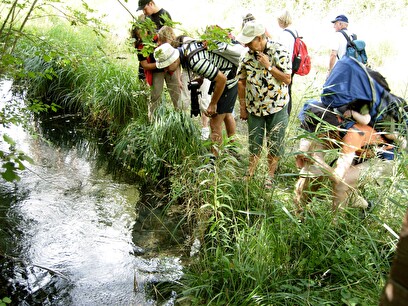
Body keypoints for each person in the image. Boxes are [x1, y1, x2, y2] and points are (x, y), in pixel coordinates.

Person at [153, 38, 241, 156]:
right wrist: (202, 77)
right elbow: (208, 59)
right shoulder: (185, 49)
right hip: (229, 74)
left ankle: (214, 159)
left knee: (214, 123)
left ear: (173, 60)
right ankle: (233, 150)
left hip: (228, 80)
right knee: (227, 115)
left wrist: (213, 103)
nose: (165, 70)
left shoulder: (194, 61)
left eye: (166, 66)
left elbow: (221, 79)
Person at [236, 22, 292, 186]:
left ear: (259, 38)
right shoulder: (246, 56)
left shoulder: (279, 50)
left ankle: (270, 176)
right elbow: (241, 82)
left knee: (274, 143)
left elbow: (287, 79)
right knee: (254, 142)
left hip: (277, 106)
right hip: (255, 107)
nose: (245, 44)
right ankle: (250, 172)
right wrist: (243, 107)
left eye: (249, 41)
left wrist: (269, 66)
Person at [137, 0, 180, 120]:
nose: (144, 12)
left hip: (169, 61)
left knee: (176, 93)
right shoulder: (144, 22)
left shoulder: (164, 15)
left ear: (151, 3)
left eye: (144, 8)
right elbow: (144, 63)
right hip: (154, 65)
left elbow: (171, 39)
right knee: (155, 96)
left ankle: (180, 121)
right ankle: (155, 123)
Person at [277, 9, 297, 115]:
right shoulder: (294, 31)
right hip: (294, 63)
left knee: (285, 88)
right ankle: (287, 111)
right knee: (289, 88)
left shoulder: (285, 34)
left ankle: (285, 112)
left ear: (282, 21)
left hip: (286, 64)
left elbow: (282, 51)